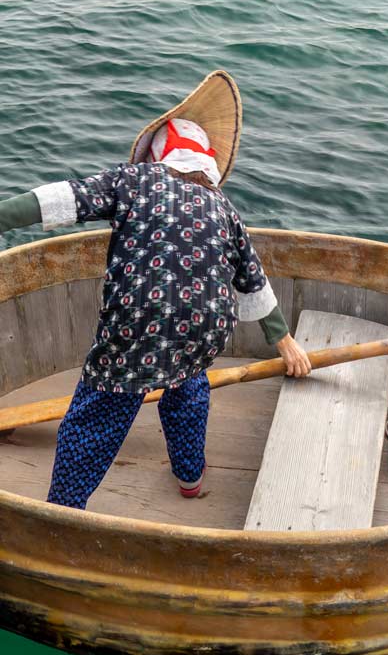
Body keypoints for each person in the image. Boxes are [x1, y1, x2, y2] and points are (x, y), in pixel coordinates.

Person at [0, 69, 311, 509]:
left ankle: (63, 513)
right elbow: (251, 279)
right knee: (186, 383)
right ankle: (189, 477)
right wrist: (285, 343)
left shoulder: (132, 181)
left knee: (97, 418)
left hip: (137, 327)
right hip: (205, 328)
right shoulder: (223, 206)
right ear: (207, 166)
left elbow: (59, 199)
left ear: (155, 159)